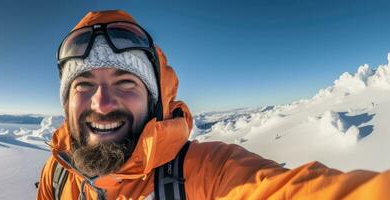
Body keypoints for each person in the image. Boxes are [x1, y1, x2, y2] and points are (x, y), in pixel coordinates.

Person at [36, 10, 390, 200]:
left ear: (155, 101)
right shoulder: (58, 171)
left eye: (125, 82)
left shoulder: (204, 175)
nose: (102, 102)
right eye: (83, 85)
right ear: (67, 101)